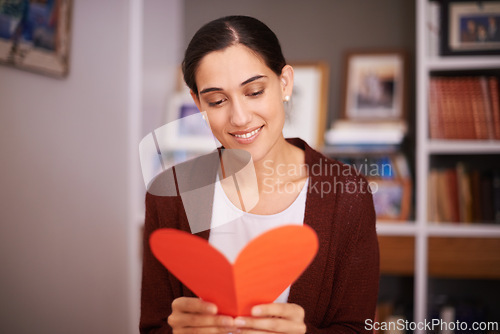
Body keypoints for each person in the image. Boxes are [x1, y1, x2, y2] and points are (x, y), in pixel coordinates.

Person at [140, 15, 379, 333]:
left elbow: (358, 327)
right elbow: (154, 326)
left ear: (285, 84)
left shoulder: (346, 195)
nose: (239, 117)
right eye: (217, 100)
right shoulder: (170, 196)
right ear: (198, 103)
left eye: (254, 92)